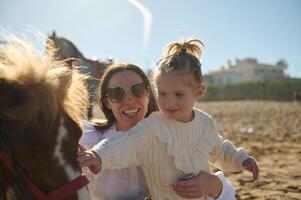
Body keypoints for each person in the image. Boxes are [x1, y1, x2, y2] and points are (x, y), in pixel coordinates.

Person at [78, 38, 256, 199]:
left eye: (178, 94)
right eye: (163, 94)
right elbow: (123, 143)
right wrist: (97, 156)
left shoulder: (204, 123)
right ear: (107, 102)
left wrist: (241, 159)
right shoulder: (152, 127)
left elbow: (220, 149)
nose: (170, 102)